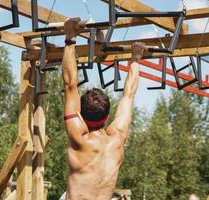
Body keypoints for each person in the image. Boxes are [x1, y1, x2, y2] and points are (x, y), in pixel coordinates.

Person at [61, 17, 144, 200]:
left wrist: (70, 38)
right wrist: (136, 58)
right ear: (106, 117)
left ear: (81, 115)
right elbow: (129, 95)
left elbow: (70, 85)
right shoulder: (117, 138)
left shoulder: (79, 139)